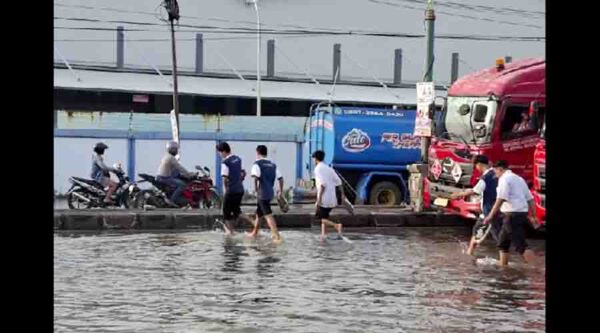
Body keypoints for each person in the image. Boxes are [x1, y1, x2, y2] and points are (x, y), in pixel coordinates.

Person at [483, 160, 540, 267]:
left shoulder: (504, 179)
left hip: (512, 216)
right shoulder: (519, 179)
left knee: (521, 246)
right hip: (520, 214)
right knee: (502, 243)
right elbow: (530, 199)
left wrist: (490, 215)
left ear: (500, 169)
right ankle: (503, 266)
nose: (495, 175)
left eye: (496, 172)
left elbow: (500, 199)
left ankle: (537, 270)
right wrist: (534, 216)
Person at [450, 155, 501, 256]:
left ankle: (506, 260)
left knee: (499, 238)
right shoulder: (495, 174)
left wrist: (458, 194)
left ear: (479, 165)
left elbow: (474, 191)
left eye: (475, 166)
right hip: (492, 211)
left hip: (489, 211)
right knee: (478, 231)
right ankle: (470, 254)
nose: (476, 169)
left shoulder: (485, 178)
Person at [246, 145, 283, 243]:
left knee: (268, 214)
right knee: (259, 213)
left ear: (257, 153)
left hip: (262, 193)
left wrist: (255, 189)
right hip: (270, 192)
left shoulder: (257, 164)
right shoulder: (273, 165)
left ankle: (276, 236)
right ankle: (255, 232)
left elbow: (255, 178)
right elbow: (281, 178)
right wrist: (281, 191)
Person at [216, 141, 255, 235]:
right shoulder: (238, 159)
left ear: (224, 151)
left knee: (226, 213)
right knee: (237, 211)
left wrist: (226, 190)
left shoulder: (225, 162)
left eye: (219, 152)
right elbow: (242, 172)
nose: (219, 154)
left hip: (231, 190)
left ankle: (230, 233)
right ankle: (254, 222)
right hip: (240, 189)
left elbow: (225, 178)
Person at [312, 150, 344, 241]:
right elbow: (339, 182)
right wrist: (342, 195)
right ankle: (323, 235)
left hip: (324, 198)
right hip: (332, 197)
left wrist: (319, 200)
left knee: (321, 218)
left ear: (315, 158)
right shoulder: (329, 168)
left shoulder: (318, 169)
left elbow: (322, 185)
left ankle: (336, 226)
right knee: (324, 216)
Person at [156, 141, 196, 207]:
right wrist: (189, 174)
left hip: (162, 176)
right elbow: (179, 167)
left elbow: (175, 169)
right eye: (176, 149)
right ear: (172, 149)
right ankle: (172, 200)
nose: (177, 151)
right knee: (182, 185)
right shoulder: (171, 158)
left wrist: (186, 173)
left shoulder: (166, 156)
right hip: (164, 178)